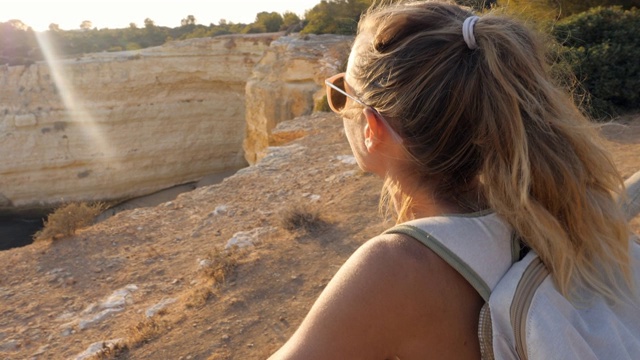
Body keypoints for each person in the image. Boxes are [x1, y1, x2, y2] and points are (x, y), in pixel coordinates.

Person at [269, 1, 636, 358]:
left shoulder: (396, 269)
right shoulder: (559, 209)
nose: (338, 106)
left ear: (371, 127)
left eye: (341, 94)